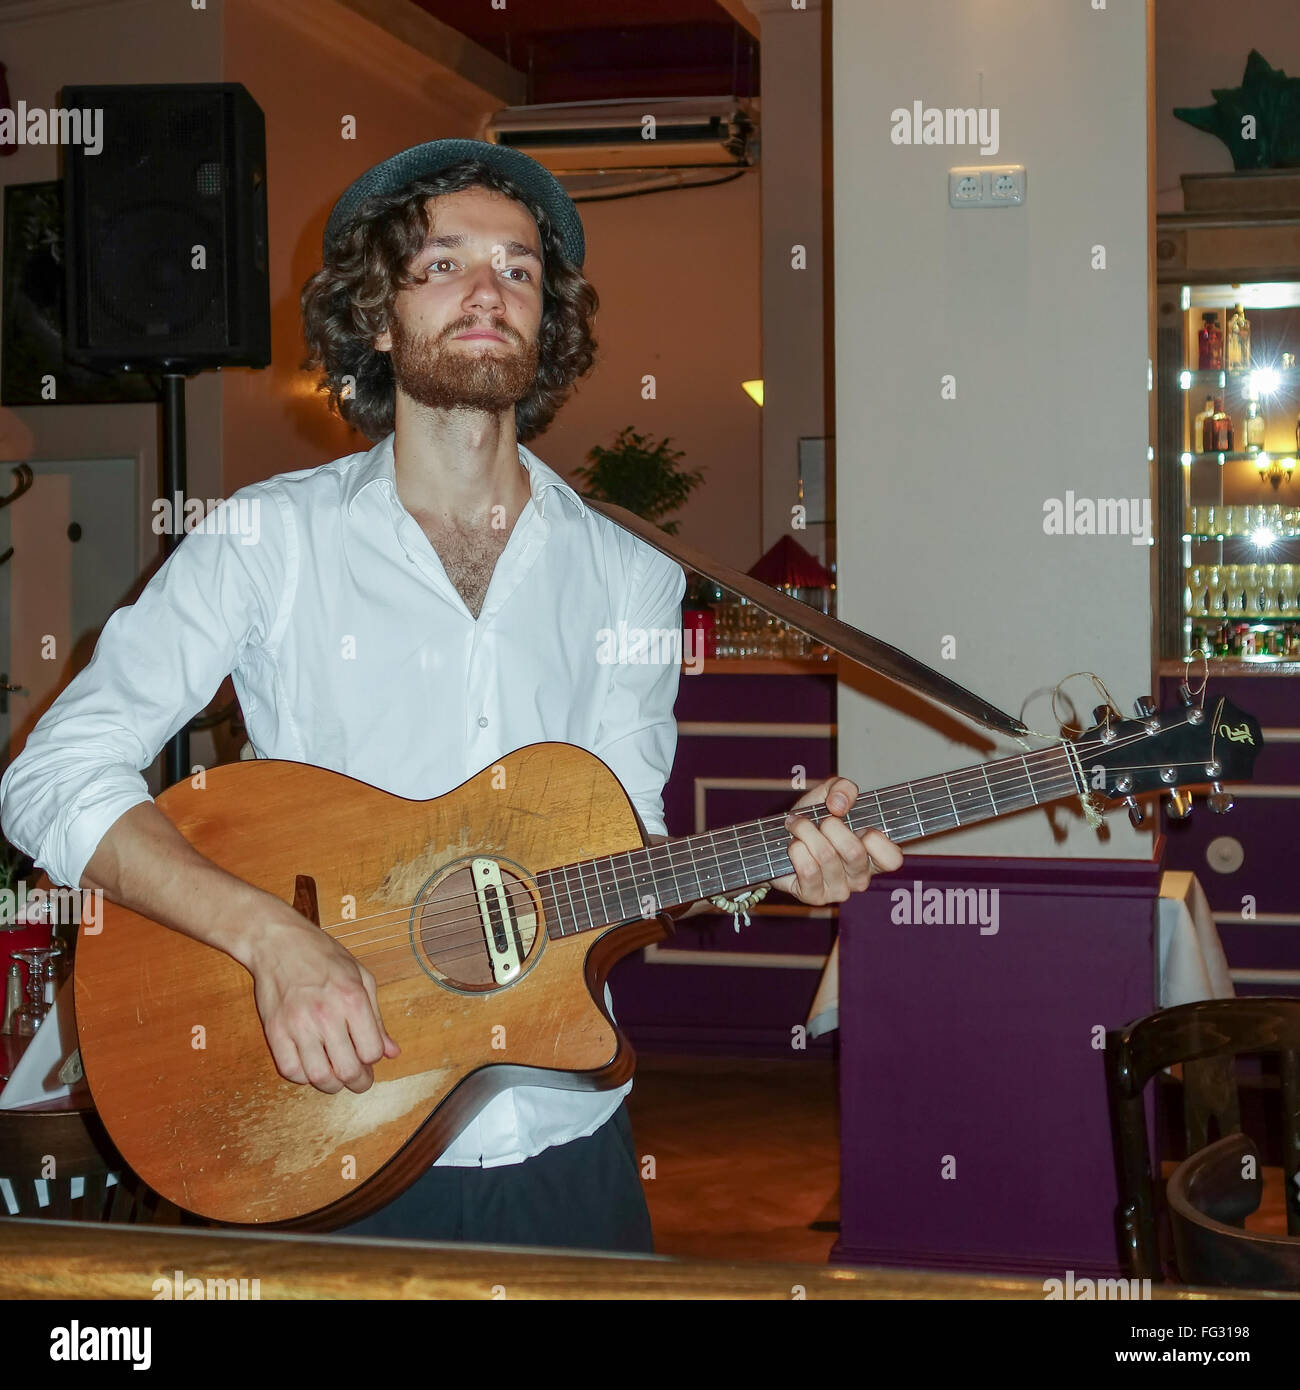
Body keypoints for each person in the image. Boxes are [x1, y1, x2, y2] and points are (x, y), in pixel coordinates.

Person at [0, 139, 903, 1253]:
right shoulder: (264, 541)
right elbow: (50, 776)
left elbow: (622, 851)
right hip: (327, 1122)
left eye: (519, 270)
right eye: (444, 264)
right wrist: (270, 939)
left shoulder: (630, 573)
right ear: (377, 318)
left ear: (547, 324)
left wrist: (774, 863)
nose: (488, 290)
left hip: (566, 1133)